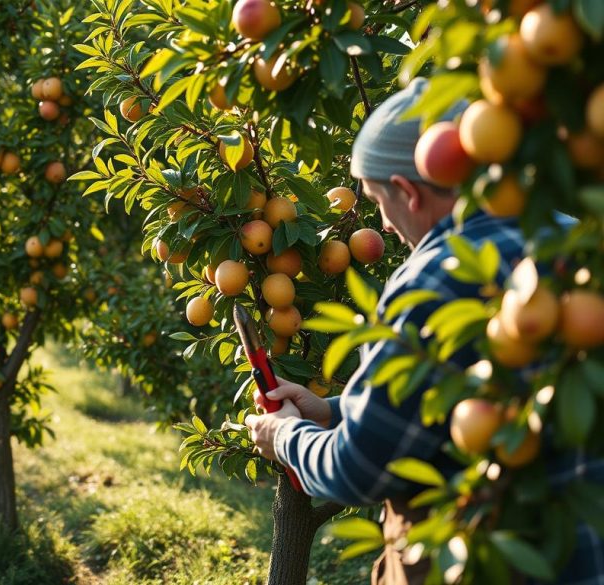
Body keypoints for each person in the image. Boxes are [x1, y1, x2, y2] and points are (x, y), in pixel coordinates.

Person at [244, 79, 601, 584]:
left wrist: (285, 436)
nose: (384, 226)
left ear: (410, 193)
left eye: (378, 201)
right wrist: (333, 411)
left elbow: (357, 469)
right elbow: (473, 393)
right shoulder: (579, 244)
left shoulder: (438, 277)